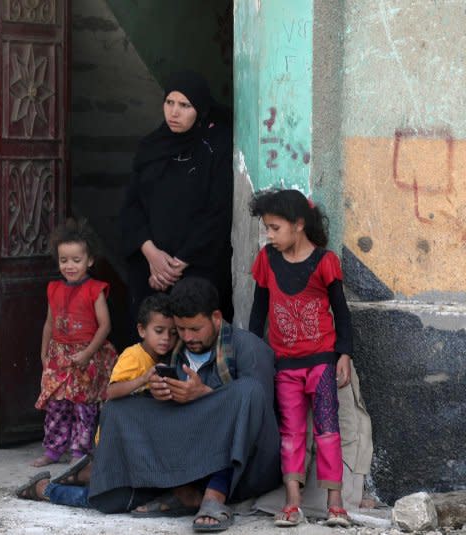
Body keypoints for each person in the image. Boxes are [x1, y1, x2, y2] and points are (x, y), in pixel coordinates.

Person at [88, 277, 281, 533]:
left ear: (215, 317)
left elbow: (260, 413)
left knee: (249, 390)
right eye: (181, 329)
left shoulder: (249, 348)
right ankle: (182, 492)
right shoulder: (173, 349)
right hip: (191, 456)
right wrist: (158, 394)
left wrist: (205, 394)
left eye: (195, 329)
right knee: (118, 409)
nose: (187, 337)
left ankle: (213, 497)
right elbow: (176, 418)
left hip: (241, 469)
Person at [248, 189, 354, 528]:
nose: (270, 235)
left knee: (327, 429)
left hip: (321, 362)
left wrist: (344, 355)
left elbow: (342, 313)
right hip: (285, 365)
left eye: (275, 228)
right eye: (267, 228)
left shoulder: (325, 261)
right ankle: (292, 502)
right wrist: (253, 351)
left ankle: (335, 502)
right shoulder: (266, 259)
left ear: (298, 225)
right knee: (291, 433)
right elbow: (258, 311)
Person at [16, 293, 178, 507]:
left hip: (136, 442)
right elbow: (112, 392)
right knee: (107, 498)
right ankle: (49, 488)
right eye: (159, 331)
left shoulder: (166, 359)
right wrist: (143, 379)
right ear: (141, 330)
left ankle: (82, 475)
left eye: (172, 333)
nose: (166, 338)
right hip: (115, 441)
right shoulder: (134, 357)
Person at [119, 71, 234, 343]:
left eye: (185, 105)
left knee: (193, 339)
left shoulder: (214, 149)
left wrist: (176, 265)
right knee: (149, 343)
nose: (174, 112)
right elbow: (131, 206)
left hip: (196, 267)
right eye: (169, 102)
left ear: (200, 109)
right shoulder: (151, 147)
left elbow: (218, 212)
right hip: (150, 270)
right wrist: (152, 255)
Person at [31, 218, 118, 467]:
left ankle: (80, 452)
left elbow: (105, 326)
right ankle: (54, 449)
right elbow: (49, 322)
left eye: (76, 260)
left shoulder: (95, 289)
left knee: (84, 406)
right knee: (57, 405)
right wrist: (44, 352)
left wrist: (88, 353)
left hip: (86, 356)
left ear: (89, 261)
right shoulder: (53, 288)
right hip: (59, 355)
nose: (69, 266)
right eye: (63, 260)